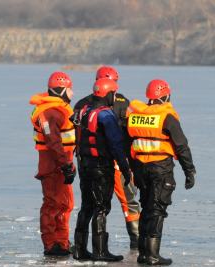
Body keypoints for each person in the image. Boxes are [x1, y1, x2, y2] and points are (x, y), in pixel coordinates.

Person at [127, 79, 195, 266]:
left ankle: (143, 253)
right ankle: (152, 255)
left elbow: (127, 143)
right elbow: (181, 146)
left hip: (140, 169)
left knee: (146, 208)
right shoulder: (167, 117)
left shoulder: (135, 115)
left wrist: (131, 168)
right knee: (156, 210)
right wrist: (189, 171)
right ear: (165, 96)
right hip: (160, 169)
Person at [72, 65, 140, 249]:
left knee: (89, 203)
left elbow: (75, 133)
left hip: (84, 160)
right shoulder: (123, 103)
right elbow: (129, 133)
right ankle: (135, 239)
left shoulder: (81, 104)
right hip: (111, 161)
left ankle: (80, 246)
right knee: (125, 201)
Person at [30, 71, 76, 256]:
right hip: (54, 165)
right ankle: (51, 244)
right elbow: (53, 141)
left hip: (62, 162)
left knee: (65, 205)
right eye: (70, 89)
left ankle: (62, 242)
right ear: (62, 90)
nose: (72, 93)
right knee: (53, 204)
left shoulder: (57, 109)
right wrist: (65, 165)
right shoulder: (49, 113)